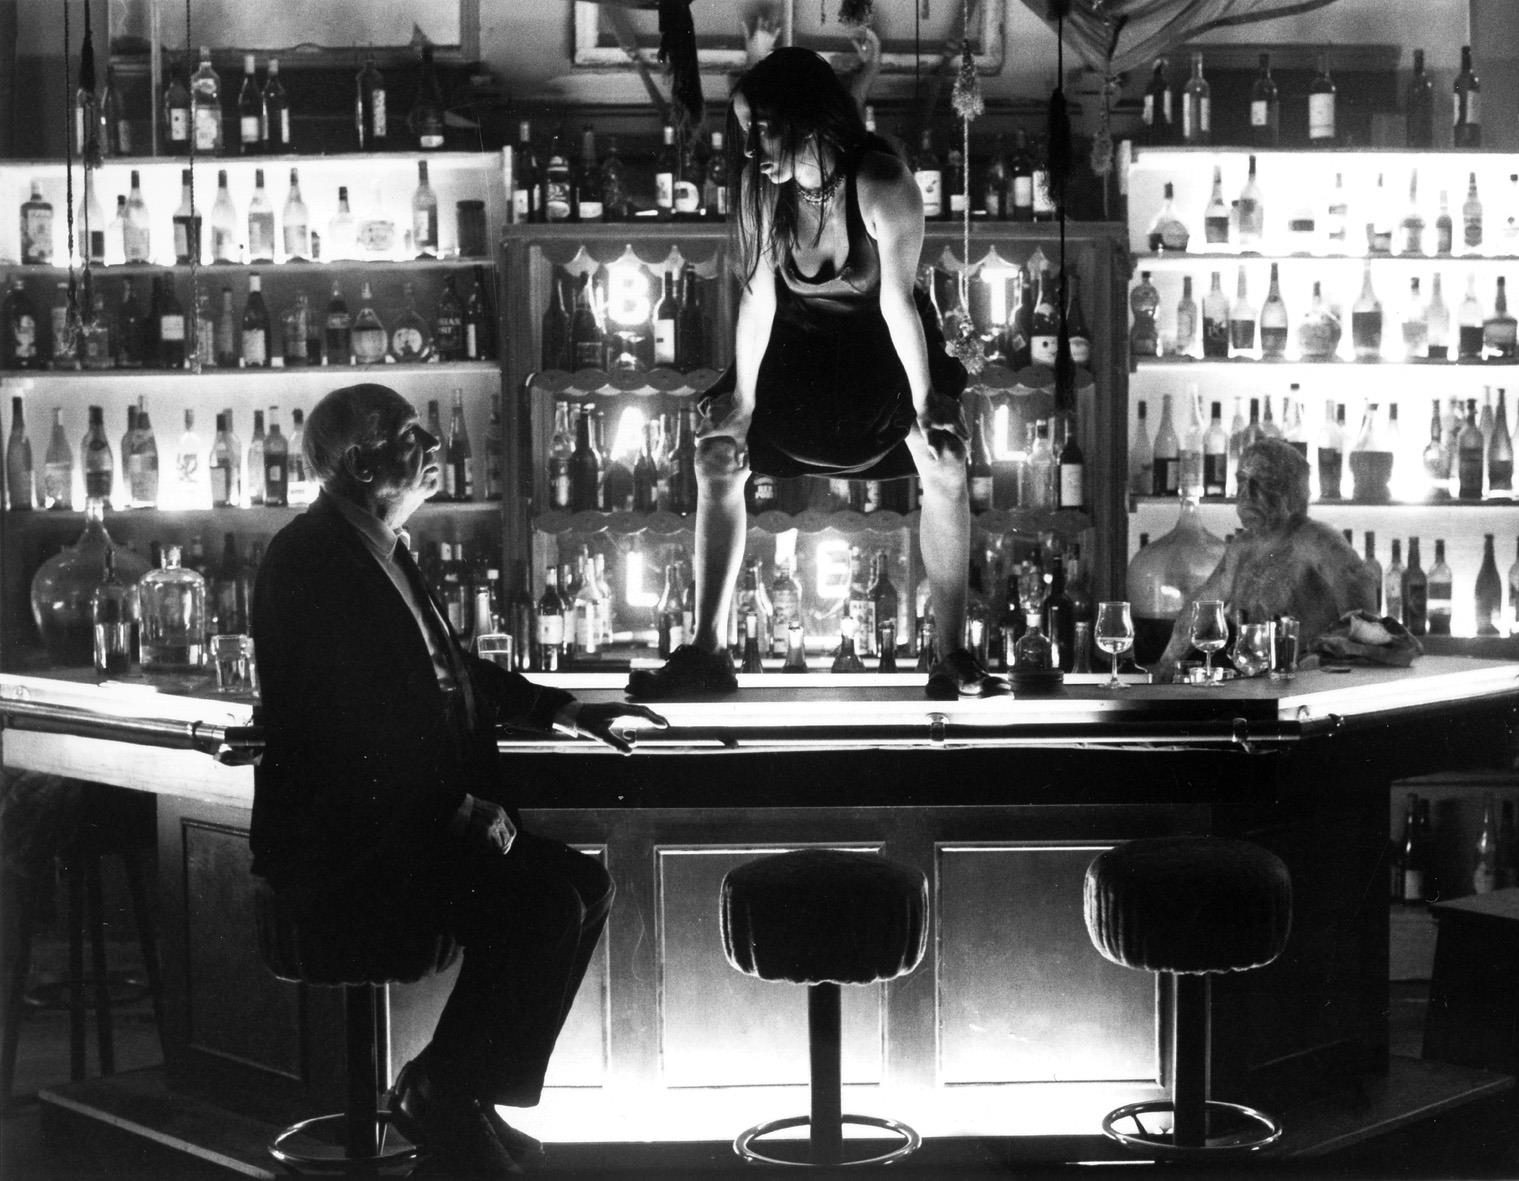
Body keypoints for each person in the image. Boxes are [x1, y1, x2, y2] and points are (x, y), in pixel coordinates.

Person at [251, 383, 666, 1175]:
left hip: (405, 831)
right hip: (349, 851)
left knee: (585, 886)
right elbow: (335, 728)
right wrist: (451, 808)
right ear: (361, 462)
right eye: (411, 434)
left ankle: (459, 1089)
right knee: (543, 905)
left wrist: (566, 710)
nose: (435, 445)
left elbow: (450, 670)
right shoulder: (307, 557)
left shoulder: (382, 546)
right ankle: (444, 1091)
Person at [627, 46, 1006, 700]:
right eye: (747, 132)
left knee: (945, 460)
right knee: (716, 456)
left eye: (765, 129)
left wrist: (927, 404)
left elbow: (897, 304)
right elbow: (757, 300)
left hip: (880, 350)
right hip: (798, 350)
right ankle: (707, 653)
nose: (753, 149)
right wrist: (742, 401)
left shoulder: (883, 184)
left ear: (809, 117)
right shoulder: (762, 189)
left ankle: (952, 656)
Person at [1154, 438, 1377, 680]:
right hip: (1252, 683)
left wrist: (1321, 660)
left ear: (1294, 492)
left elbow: (1363, 623)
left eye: (1264, 483)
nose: (1247, 495)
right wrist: (1164, 669)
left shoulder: (1318, 540)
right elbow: (1201, 609)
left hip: (1307, 685)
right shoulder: (1242, 547)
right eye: (1242, 481)